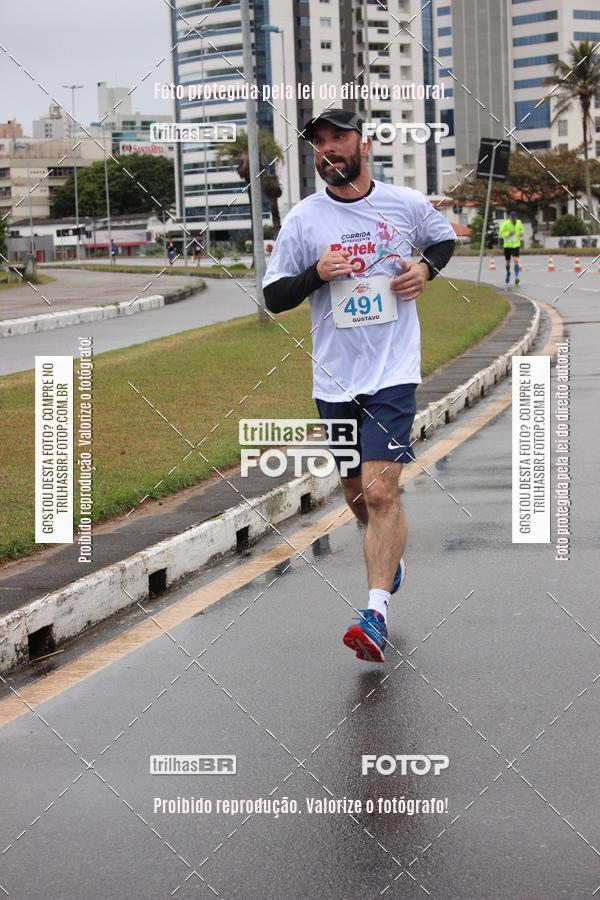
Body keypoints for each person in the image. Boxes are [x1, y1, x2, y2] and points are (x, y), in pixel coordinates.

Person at [262, 108, 455, 663]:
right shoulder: (304, 219)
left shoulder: (405, 204)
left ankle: (374, 612)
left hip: (392, 373)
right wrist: (315, 274)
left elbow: (441, 242)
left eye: (338, 137)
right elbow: (274, 298)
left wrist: (425, 269)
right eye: (318, 142)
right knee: (356, 494)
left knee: (379, 490)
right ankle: (388, 555)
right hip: (336, 379)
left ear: (362, 144)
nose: (328, 148)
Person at [498, 211, 524, 287]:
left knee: (516, 260)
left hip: (516, 244)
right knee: (508, 262)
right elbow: (500, 233)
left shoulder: (519, 222)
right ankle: (508, 272)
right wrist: (508, 234)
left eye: (515, 217)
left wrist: (521, 233)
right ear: (509, 217)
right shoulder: (505, 223)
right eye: (512, 218)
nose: (513, 219)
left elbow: (522, 229)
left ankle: (516, 277)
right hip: (507, 245)